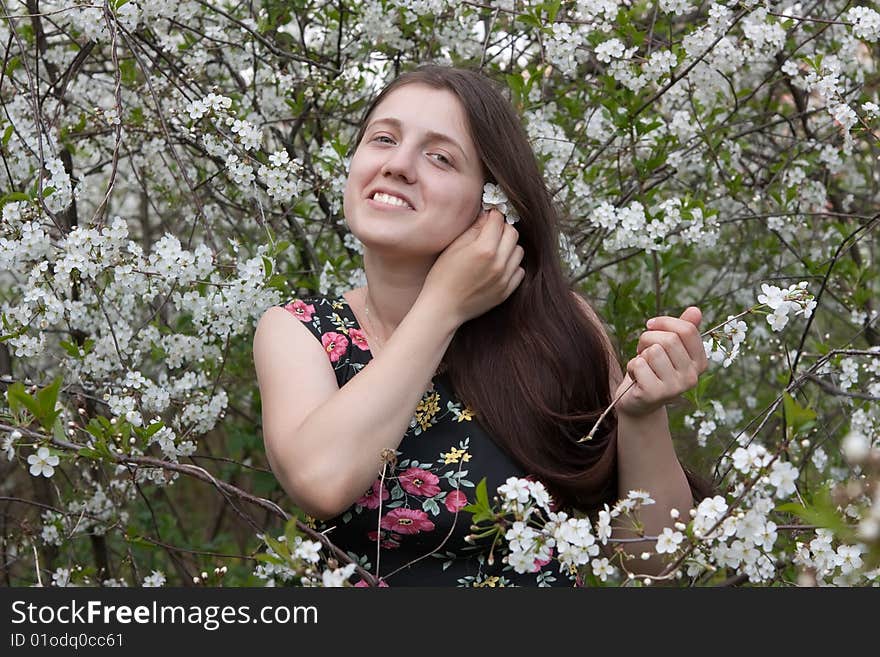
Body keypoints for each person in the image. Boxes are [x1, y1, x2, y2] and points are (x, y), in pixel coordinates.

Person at [253, 65, 711, 587]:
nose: (399, 165)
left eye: (440, 157)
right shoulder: (300, 331)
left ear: (492, 202)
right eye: (383, 139)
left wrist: (643, 416)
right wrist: (444, 304)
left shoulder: (553, 327)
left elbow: (655, 566)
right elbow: (321, 479)